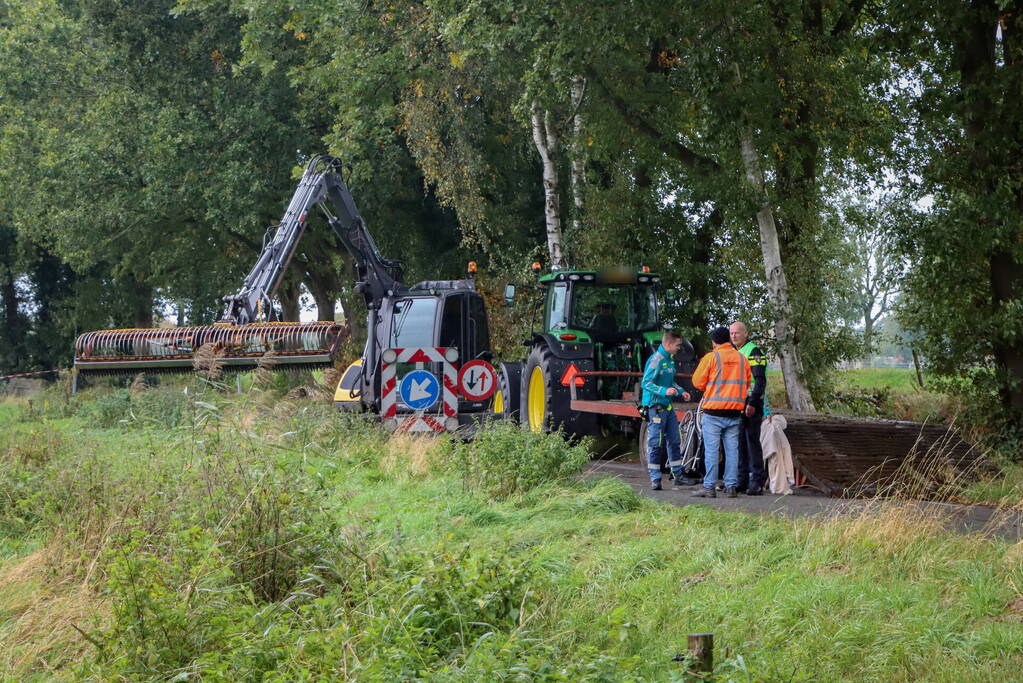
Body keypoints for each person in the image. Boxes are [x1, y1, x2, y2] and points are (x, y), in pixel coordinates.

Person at [690, 325, 751, 498]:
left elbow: (697, 382)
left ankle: (709, 487)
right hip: (734, 414)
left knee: (712, 451)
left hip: (713, 413)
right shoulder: (741, 359)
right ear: (729, 339)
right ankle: (731, 487)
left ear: (714, 342)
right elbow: (746, 383)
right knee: (732, 451)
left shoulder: (711, 357)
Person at [641, 330, 692, 490]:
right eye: (677, 345)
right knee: (655, 443)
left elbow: (670, 382)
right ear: (669, 344)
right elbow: (646, 383)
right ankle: (655, 479)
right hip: (656, 408)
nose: (679, 348)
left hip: (667, 408)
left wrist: (680, 390)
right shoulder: (656, 359)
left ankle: (678, 475)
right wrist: (664, 391)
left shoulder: (669, 360)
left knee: (675, 441)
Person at [730, 321, 770, 495]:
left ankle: (757, 481)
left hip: (752, 402)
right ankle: (742, 480)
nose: (733, 336)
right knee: (739, 442)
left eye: (737, 333)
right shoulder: (735, 352)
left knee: (752, 442)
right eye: (731, 333)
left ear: (746, 333)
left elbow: (759, 379)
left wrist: (753, 402)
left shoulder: (753, 352)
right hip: (739, 402)